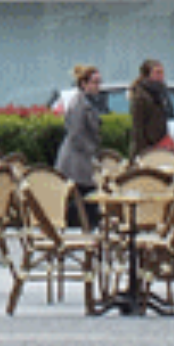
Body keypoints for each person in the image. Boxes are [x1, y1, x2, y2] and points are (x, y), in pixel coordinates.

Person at [55, 64, 102, 228]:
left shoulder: (87, 103)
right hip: (76, 161)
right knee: (82, 196)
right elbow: (76, 133)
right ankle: (81, 225)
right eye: (94, 83)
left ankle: (85, 225)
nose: (98, 87)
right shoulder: (79, 104)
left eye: (98, 83)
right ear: (84, 84)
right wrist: (91, 151)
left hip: (82, 159)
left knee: (86, 195)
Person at [129, 58, 174, 157]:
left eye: (162, 72)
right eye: (157, 73)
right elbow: (138, 127)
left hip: (161, 143)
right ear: (147, 75)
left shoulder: (161, 93)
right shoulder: (141, 96)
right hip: (148, 146)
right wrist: (142, 152)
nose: (161, 76)